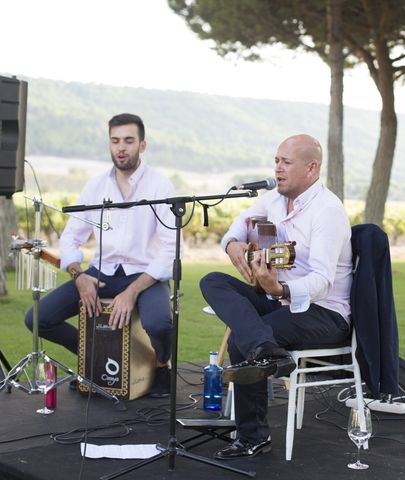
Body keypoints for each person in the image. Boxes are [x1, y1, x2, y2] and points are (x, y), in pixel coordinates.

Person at [200, 134, 352, 459]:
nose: (278, 169)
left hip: (323, 311)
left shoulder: (327, 211)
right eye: (276, 161)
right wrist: (232, 245)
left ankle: (252, 437)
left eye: (286, 162)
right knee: (213, 281)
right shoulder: (273, 199)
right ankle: (267, 349)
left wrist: (279, 289)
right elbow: (238, 226)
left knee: (245, 337)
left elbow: (323, 281)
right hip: (280, 302)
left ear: (312, 168)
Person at [24, 113, 176, 398]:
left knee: (159, 322)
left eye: (129, 141)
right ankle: (94, 357)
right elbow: (71, 236)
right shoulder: (95, 186)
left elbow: (171, 247)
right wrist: (78, 275)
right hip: (100, 272)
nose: (121, 147)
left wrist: (132, 292)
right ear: (109, 144)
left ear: (142, 145)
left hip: (145, 274)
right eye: (115, 140)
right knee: (37, 318)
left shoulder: (160, 186)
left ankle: (161, 365)